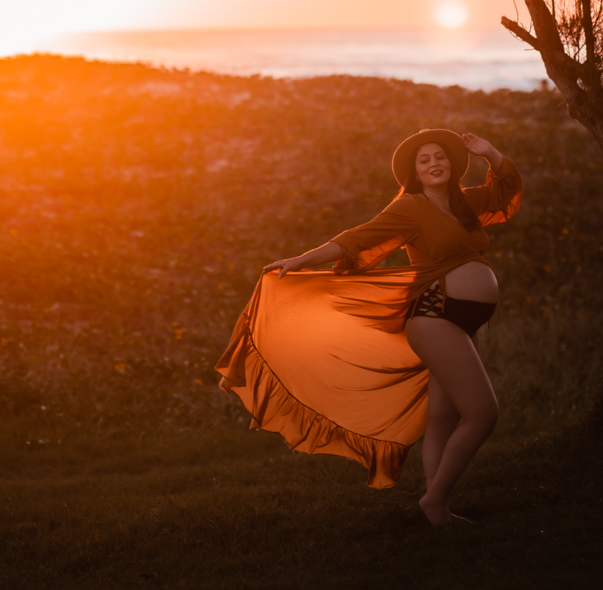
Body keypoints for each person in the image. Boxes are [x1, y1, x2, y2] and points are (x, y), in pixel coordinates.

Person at [215, 128, 523, 526]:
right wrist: (300, 260)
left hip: (462, 321)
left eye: (440, 156)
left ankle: (438, 509)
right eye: (424, 160)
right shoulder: (411, 208)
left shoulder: (467, 204)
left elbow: (506, 194)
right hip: (436, 316)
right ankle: (435, 500)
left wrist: (489, 153)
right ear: (414, 172)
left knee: (444, 417)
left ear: (451, 162)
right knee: (483, 414)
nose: (434, 164)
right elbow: (355, 240)